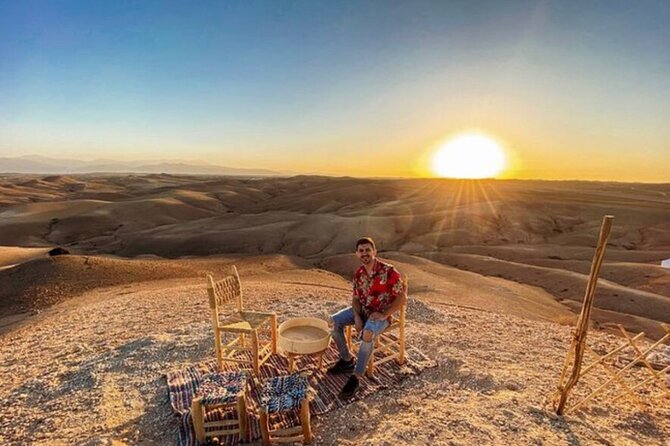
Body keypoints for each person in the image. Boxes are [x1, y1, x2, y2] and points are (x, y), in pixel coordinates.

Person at [328, 237, 405, 399]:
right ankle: (347, 360)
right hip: (362, 310)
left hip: (381, 314)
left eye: (368, 250)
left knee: (368, 333)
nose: (365, 253)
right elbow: (356, 298)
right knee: (334, 321)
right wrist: (356, 316)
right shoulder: (359, 274)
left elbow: (402, 298)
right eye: (361, 251)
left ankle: (356, 377)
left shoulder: (389, 271)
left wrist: (384, 314)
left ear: (374, 252)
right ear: (357, 254)